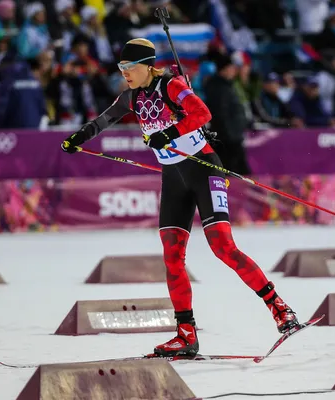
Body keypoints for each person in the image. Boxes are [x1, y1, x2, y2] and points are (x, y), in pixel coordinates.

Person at [61, 38, 299, 357]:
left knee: (223, 247)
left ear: (147, 65)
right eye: (121, 68)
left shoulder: (169, 85)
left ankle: (281, 310)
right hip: (174, 178)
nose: (125, 74)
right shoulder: (131, 96)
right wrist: (79, 138)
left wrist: (169, 134)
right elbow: (105, 119)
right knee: (172, 258)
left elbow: (202, 113)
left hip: (204, 169)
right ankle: (186, 335)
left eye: (129, 68)